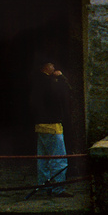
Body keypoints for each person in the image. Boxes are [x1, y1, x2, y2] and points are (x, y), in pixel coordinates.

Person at [32, 61, 70, 196]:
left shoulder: (36, 81)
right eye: (52, 65)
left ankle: (43, 186)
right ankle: (58, 189)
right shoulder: (49, 82)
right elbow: (64, 92)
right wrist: (61, 78)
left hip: (40, 125)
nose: (54, 68)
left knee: (43, 159)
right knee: (58, 159)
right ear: (46, 67)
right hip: (52, 125)